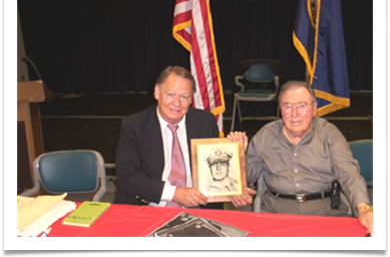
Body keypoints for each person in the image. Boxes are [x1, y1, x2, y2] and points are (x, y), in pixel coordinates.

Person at [228, 80, 373, 236]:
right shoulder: (266, 134)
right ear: (280, 108)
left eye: (302, 106)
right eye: (288, 106)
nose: (294, 114)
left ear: (314, 107)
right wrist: (238, 155)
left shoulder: (329, 133)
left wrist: (364, 208)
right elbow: (250, 174)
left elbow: (349, 173)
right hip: (276, 213)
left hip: (325, 212)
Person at [115, 66, 222, 209]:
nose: (177, 103)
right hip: (149, 206)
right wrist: (175, 194)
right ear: (157, 92)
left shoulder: (205, 122)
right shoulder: (134, 125)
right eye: (170, 94)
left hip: (196, 206)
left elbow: (213, 168)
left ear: (191, 99)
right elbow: (128, 177)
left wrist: (234, 188)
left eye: (184, 97)